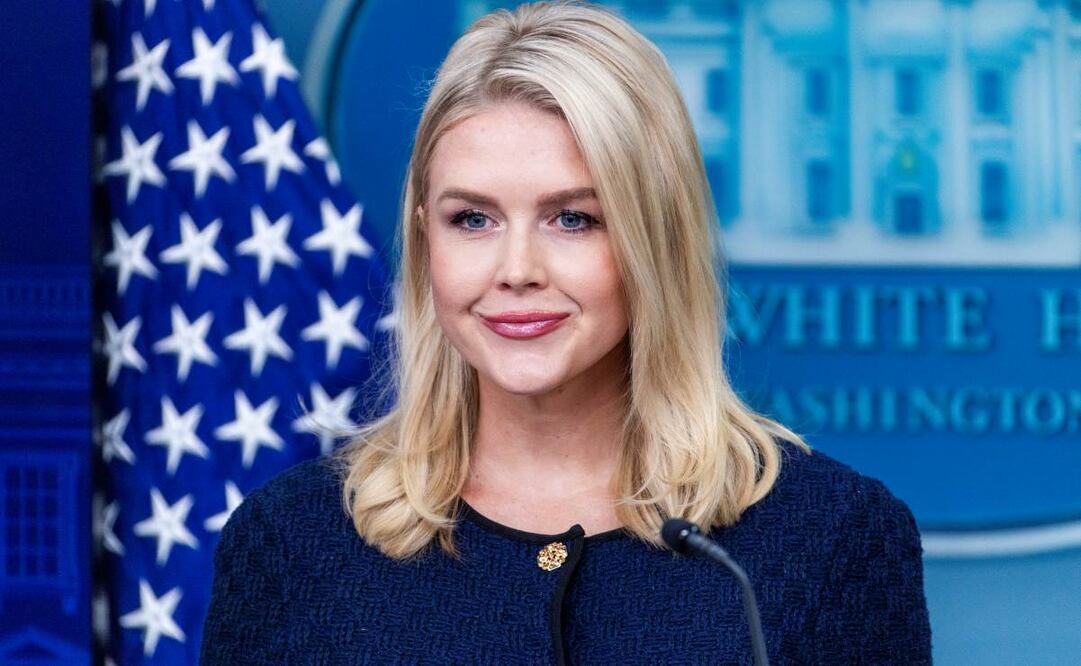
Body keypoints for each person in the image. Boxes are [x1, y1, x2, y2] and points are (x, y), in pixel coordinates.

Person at [200, 2, 932, 663]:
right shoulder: (291, 542)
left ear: (655, 238)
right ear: (426, 239)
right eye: (473, 220)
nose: (515, 269)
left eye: (572, 218)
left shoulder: (833, 539)